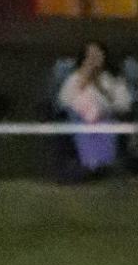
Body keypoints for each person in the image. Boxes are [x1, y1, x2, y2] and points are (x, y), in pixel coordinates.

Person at [56, 42, 133, 175]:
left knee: (104, 123)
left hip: (107, 117)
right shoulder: (74, 78)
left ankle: (104, 165)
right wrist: (82, 82)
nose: (93, 59)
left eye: (97, 55)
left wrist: (101, 89)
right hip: (80, 119)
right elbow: (63, 102)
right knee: (83, 123)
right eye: (89, 56)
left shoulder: (114, 78)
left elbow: (124, 104)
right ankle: (89, 165)